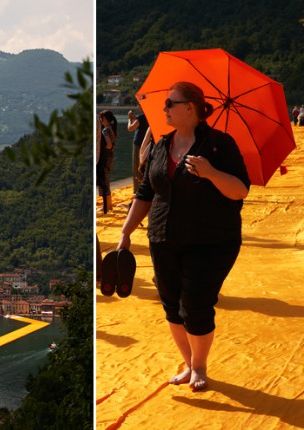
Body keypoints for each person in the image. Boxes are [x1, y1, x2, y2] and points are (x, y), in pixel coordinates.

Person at [116, 81, 249, 392]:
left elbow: (240, 190)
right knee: (172, 305)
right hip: (163, 238)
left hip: (212, 241)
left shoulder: (219, 145)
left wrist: (212, 173)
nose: (164, 109)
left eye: (170, 104)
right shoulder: (161, 146)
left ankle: (200, 366)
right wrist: (125, 232)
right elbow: (146, 192)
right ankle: (188, 364)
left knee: (196, 304)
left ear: (190, 108)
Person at [97, 110, 117, 214]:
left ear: (104, 119)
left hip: (105, 157)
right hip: (110, 156)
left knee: (103, 181)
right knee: (106, 180)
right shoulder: (112, 128)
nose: (100, 120)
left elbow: (108, 145)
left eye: (101, 118)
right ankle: (109, 205)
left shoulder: (105, 130)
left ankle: (106, 206)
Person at [127, 109, 150, 191]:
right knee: (144, 168)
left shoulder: (141, 117)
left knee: (137, 168)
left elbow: (130, 128)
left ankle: (137, 191)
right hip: (148, 143)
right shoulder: (149, 115)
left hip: (139, 143)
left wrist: (129, 119)